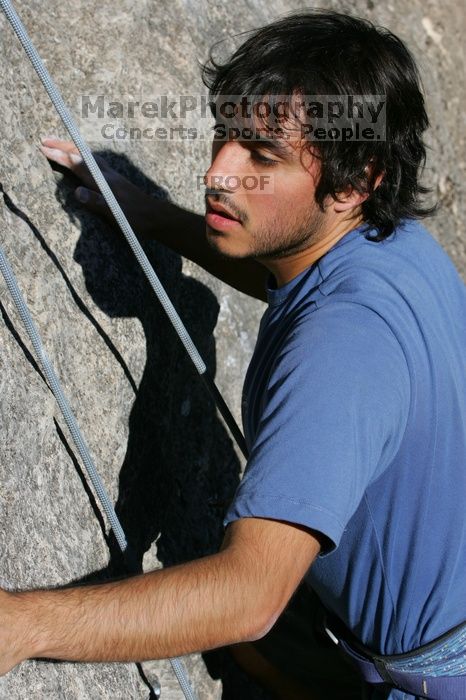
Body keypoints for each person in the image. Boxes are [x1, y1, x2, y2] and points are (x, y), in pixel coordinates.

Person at [1, 9, 465, 700]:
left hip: (426, 678)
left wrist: (22, 624)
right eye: (226, 134)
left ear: (354, 182)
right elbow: (280, 267)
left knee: (246, 639)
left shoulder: (343, 346)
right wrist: (144, 213)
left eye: (262, 156)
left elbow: (249, 594)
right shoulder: (391, 247)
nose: (219, 172)